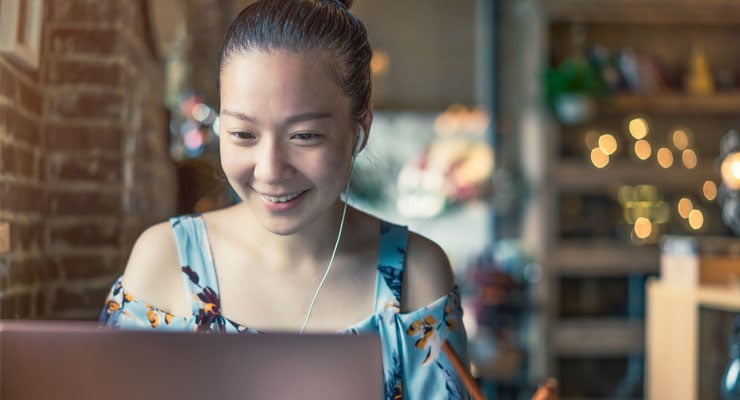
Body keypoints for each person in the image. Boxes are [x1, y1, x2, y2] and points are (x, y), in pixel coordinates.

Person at [99, 0, 472, 398]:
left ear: (359, 128)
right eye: (243, 134)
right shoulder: (166, 260)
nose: (270, 170)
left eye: (304, 135)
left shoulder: (416, 276)